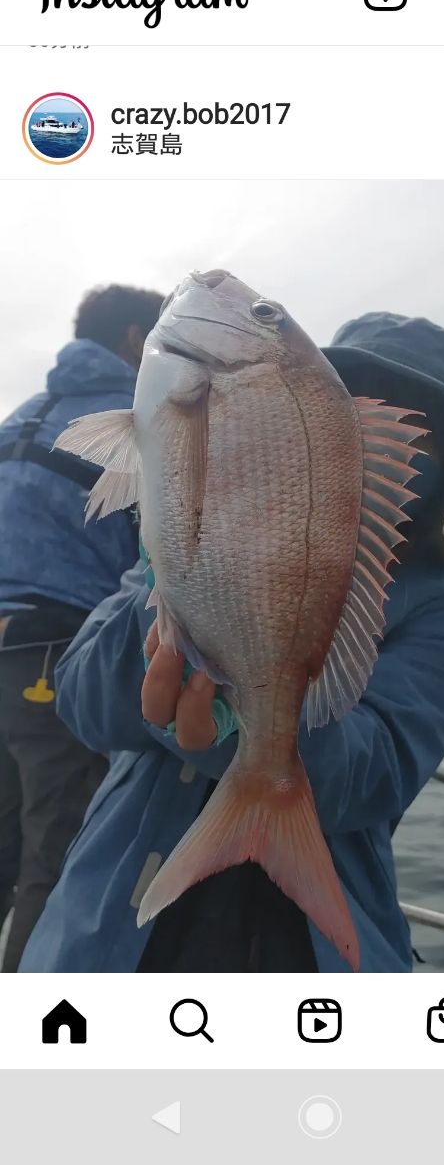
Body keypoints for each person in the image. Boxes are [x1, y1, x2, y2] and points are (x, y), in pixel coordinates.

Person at [20, 312, 444, 973]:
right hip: (110, 928)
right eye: (357, 400)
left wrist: (243, 727)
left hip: (309, 950)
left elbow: (378, 771)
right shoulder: (199, 519)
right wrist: (175, 592)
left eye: (418, 430)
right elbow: (80, 697)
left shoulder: (441, 609)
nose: (387, 441)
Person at [0, 283, 164, 971]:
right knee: (60, 851)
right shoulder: (134, 424)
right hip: (55, 661)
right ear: (135, 341)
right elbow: (162, 561)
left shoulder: (22, 419)